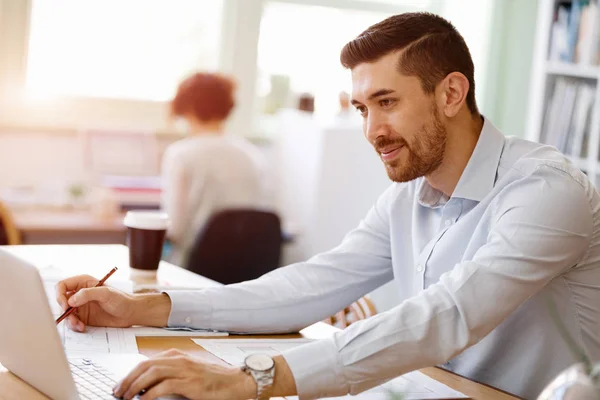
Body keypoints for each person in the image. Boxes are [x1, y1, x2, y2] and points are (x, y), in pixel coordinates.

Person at [57, 12, 600, 400]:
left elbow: (447, 316)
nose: (371, 131)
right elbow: (308, 287)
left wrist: (254, 379)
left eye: (387, 103)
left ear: (452, 94)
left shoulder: (547, 192)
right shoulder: (408, 195)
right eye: (362, 107)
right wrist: (145, 306)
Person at [161, 72, 268, 267]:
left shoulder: (181, 154)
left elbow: (174, 228)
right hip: (248, 271)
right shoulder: (252, 154)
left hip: (195, 270)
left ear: (186, 107)